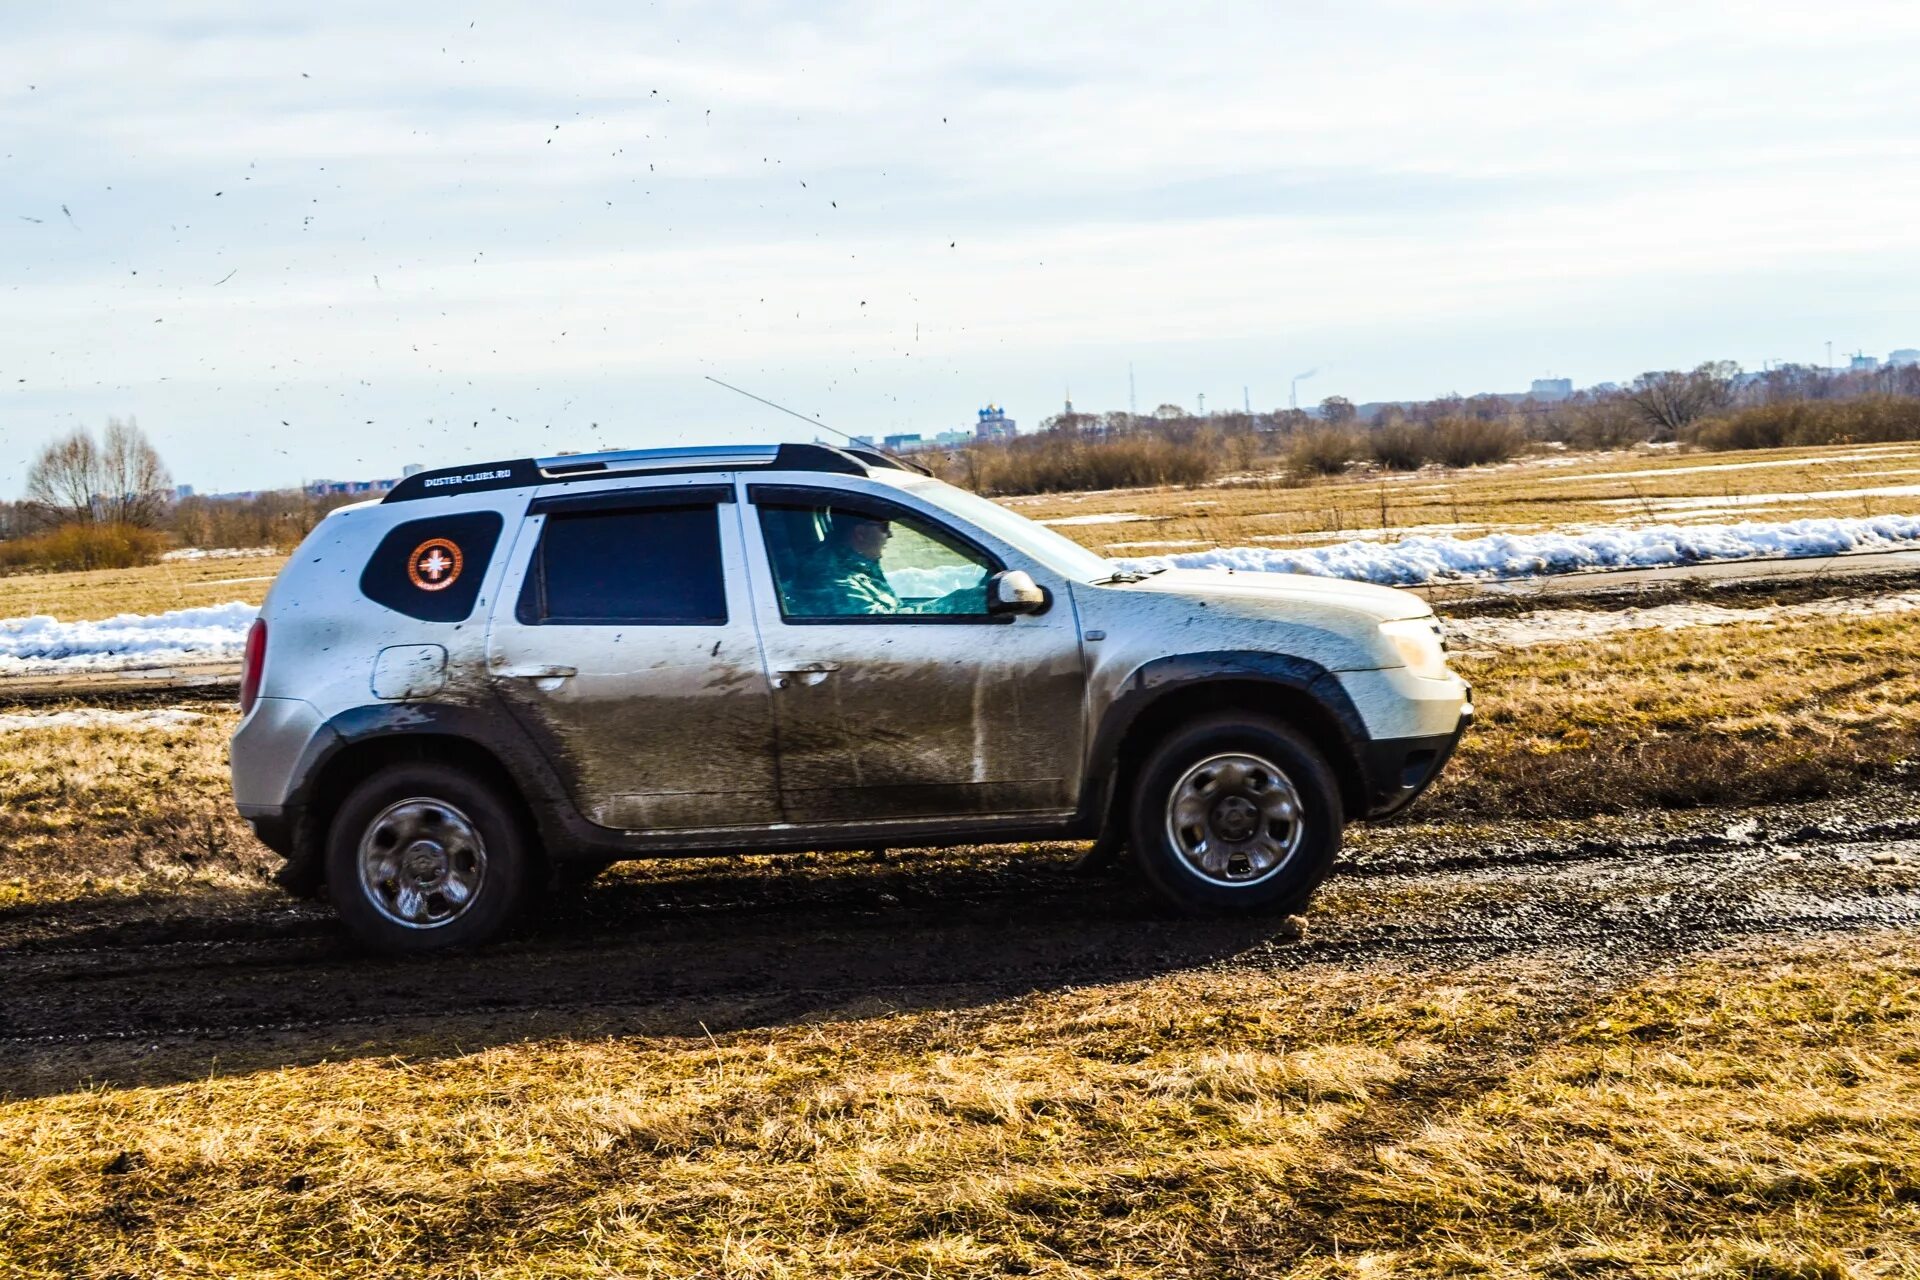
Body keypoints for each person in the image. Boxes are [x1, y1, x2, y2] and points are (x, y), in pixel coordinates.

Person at [792, 513, 986, 616]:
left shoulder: (855, 565)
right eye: (885, 527)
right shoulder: (831, 579)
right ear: (860, 533)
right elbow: (887, 627)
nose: (890, 535)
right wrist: (965, 601)